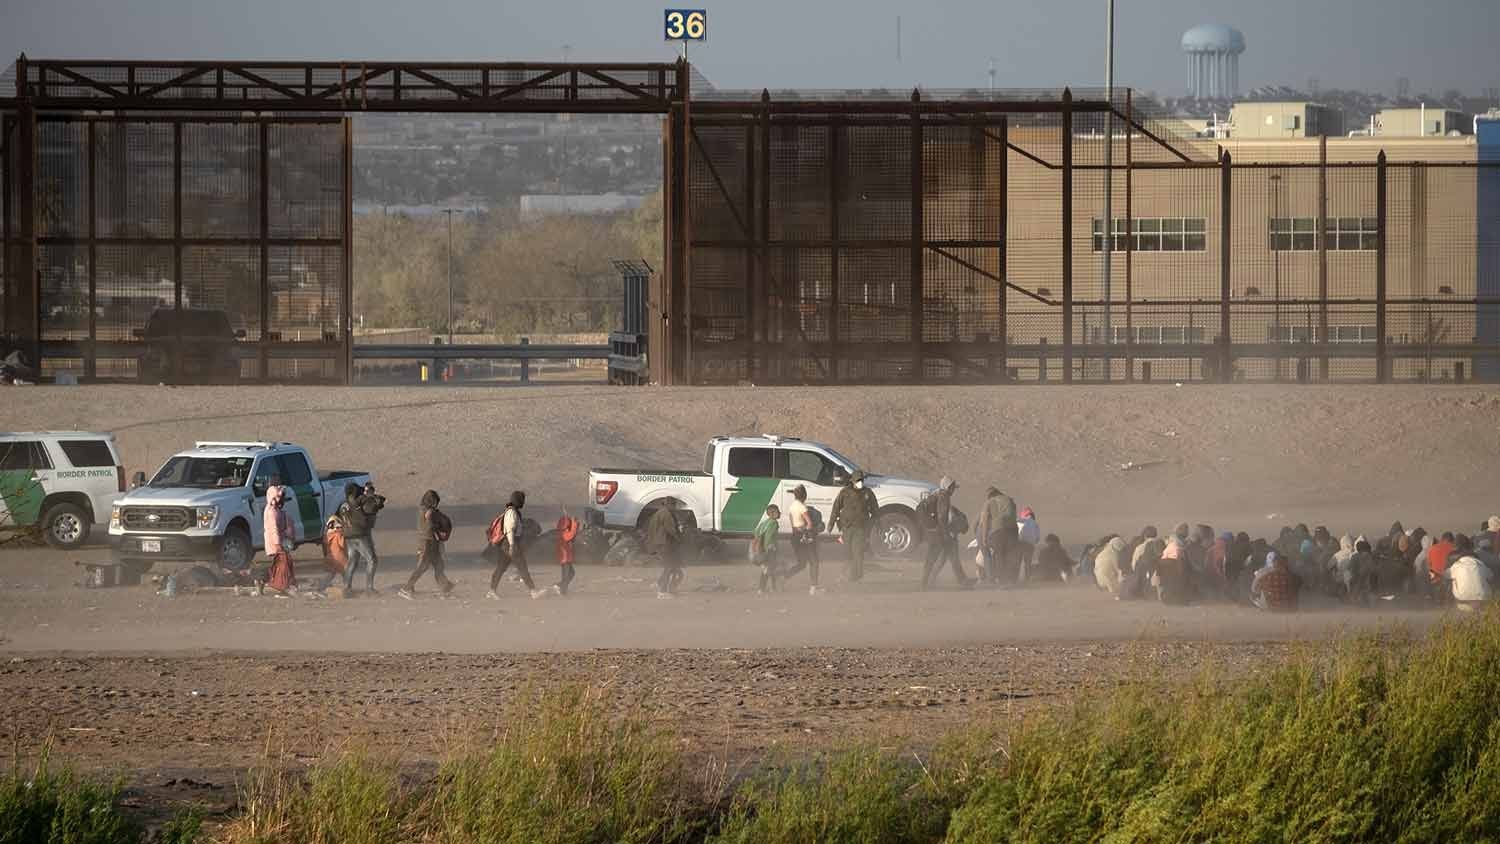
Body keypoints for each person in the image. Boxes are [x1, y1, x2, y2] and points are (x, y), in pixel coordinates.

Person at [486, 491, 545, 600]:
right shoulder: (512, 513)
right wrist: (512, 545)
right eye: (522, 500)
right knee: (522, 566)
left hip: (507, 543)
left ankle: (491, 591)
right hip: (510, 543)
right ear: (518, 500)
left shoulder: (511, 511)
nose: (523, 503)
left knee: (501, 567)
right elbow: (510, 530)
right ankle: (533, 591)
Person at [399, 490, 455, 599]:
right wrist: (439, 528)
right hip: (427, 542)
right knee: (422, 567)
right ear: (430, 501)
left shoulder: (426, 510)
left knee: (439, 565)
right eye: (434, 501)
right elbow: (429, 527)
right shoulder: (427, 511)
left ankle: (445, 588)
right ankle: (406, 589)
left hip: (431, 541)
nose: (435, 504)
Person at [920, 477, 973, 590]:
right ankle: (962, 581)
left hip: (933, 531)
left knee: (934, 558)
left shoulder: (935, 494)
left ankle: (925, 582)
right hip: (940, 532)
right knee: (951, 556)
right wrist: (946, 533)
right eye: (953, 487)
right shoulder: (944, 496)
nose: (954, 490)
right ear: (948, 487)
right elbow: (942, 516)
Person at [829, 471, 879, 583]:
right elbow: (836, 508)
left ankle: (855, 577)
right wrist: (831, 524)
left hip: (860, 528)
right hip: (847, 527)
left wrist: (876, 524)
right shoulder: (845, 492)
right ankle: (846, 575)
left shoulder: (868, 493)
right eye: (857, 480)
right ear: (852, 481)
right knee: (848, 553)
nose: (860, 482)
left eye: (861, 480)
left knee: (858, 553)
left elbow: (875, 510)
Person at [339, 481, 386, 595]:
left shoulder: (343, 505)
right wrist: (372, 497)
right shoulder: (362, 502)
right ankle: (369, 588)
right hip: (361, 535)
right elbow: (375, 506)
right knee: (372, 560)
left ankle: (346, 588)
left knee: (352, 561)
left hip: (348, 536)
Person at [783, 485, 825, 595]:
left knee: (802, 564)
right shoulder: (803, 507)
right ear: (805, 495)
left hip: (795, 537)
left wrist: (798, 530)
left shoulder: (792, 506)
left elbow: (793, 524)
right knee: (814, 562)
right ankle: (814, 589)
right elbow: (809, 524)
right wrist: (812, 530)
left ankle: (784, 576)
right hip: (805, 537)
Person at [974, 488, 1018, 584]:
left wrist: (984, 538)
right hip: (1012, 531)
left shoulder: (989, 502)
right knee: (1010, 555)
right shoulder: (1010, 500)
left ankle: (999, 580)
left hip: (998, 531)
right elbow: (1014, 516)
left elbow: (984, 521)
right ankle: (1010, 579)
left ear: (990, 495)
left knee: (998, 555)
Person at [645, 498, 684, 598]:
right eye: (674, 505)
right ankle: (662, 591)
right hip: (664, 544)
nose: (675, 507)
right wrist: (680, 539)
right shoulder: (666, 514)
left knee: (670, 567)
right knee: (670, 567)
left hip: (659, 544)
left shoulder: (660, 512)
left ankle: (659, 584)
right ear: (669, 504)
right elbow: (671, 530)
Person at [263, 485, 297, 595]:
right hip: (275, 543)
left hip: (280, 542)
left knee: (278, 565)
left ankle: (278, 583)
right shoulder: (271, 512)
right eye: (279, 496)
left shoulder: (276, 510)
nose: (281, 499)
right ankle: (277, 584)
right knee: (279, 565)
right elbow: (274, 530)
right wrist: (278, 545)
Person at [751, 504, 782, 594]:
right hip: (770, 550)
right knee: (769, 569)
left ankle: (770, 588)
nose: (779, 513)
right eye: (777, 511)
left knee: (769, 569)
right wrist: (769, 546)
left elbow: (756, 533)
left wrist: (760, 548)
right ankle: (763, 588)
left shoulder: (764, 523)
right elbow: (769, 536)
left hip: (762, 550)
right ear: (772, 513)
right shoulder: (774, 522)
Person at [1152, 535, 1189, 605]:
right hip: (1183, 599)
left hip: (1167, 599)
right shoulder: (1183, 561)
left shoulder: (1160, 562)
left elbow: (1155, 582)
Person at [554, 511, 580, 596]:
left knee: (571, 574)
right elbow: (571, 535)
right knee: (567, 576)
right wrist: (574, 524)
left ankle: (561, 587)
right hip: (564, 559)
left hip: (566, 558)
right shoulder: (563, 533)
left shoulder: (562, 532)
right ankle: (561, 589)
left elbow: (573, 533)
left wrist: (575, 524)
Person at [1015, 507, 1041, 580]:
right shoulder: (1035, 524)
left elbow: (1015, 534)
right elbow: (1037, 538)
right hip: (1030, 545)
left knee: (1018, 561)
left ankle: (1015, 578)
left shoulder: (1019, 521)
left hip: (1020, 543)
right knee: (1028, 562)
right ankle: (1027, 578)